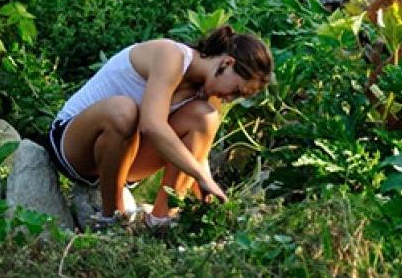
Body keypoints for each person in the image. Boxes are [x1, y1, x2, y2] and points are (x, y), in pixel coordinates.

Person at [44, 26, 274, 228]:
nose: (230, 99)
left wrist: (208, 197)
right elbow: (151, 126)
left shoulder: (208, 94)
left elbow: (195, 154)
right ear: (227, 63)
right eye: (236, 91)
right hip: (74, 145)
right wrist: (201, 176)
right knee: (123, 110)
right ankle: (114, 218)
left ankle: (161, 221)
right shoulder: (172, 56)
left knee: (206, 117)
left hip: (125, 162)